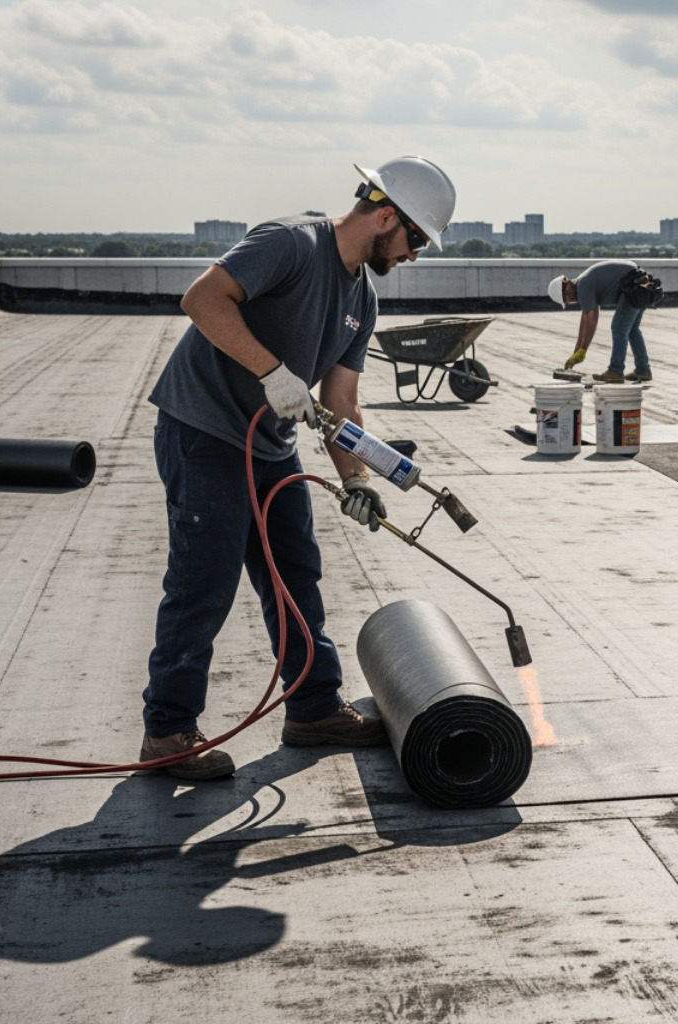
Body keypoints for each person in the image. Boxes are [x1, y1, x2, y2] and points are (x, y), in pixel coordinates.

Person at [142, 156, 457, 780]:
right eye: (415, 239)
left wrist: (358, 479)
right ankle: (167, 732)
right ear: (385, 215)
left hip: (271, 444)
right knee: (203, 580)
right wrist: (272, 371)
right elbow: (202, 299)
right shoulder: (292, 243)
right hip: (203, 428)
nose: (415, 255)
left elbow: (341, 401)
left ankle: (312, 710)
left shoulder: (361, 300)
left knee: (295, 571)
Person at [549, 260, 653, 383]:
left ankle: (615, 371)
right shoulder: (583, 284)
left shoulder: (583, 285)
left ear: (566, 284)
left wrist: (584, 349)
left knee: (619, 328)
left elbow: (592, 318)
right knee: (632, 330)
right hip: (641, 284)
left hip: (634, 286)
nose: (570, 300)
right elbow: (585, 319)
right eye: (567, 302)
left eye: (567, 297)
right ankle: (643, 370)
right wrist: (577, 350)